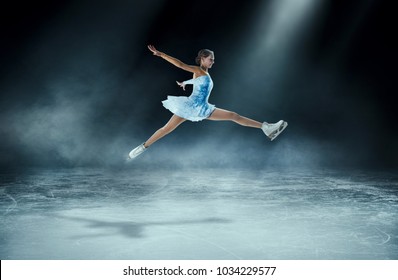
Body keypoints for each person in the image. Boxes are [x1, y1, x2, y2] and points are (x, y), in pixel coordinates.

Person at [128, 45, 287, 159]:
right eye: (210, 59)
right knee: (166, 129)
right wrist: (161, 54)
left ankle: (266, 127)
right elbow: (181, 65)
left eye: (213, 59)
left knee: (233, 115)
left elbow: (197, 83)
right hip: (190, 106)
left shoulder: (203, 74)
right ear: (202, 59)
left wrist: (186, 83)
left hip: (203, 108)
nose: (213, 61)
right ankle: (142, 147)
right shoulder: (198, 70)